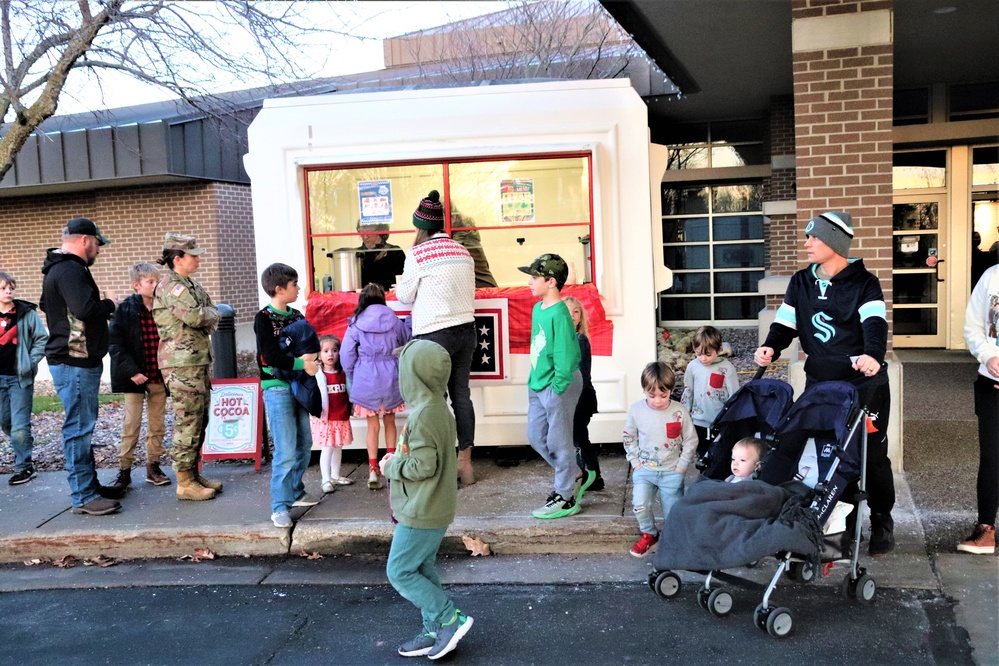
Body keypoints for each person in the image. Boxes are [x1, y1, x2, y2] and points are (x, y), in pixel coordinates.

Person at [754, 211, 896, 556]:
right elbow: (785, 324)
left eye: (813, 237)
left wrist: (873, 354)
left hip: (864, 385)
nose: (806, 243)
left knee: (871, 456)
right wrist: (771, 345)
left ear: (834, 241)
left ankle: (881, 519)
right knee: (829, 453)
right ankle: (839, 524)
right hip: (821, 385)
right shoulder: (801, 281)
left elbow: (875, 324)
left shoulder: (864, 282)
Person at [381, 339, 473, 660]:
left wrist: (391, 465)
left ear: (414, 375)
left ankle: (449, 618)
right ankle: (434, 628)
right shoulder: (437, 408)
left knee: (400, 571)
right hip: (434, 506)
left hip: (421, 508)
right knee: (421, 566)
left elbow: (423, 466)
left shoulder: (423, 416)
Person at [41, 217, 123, 514]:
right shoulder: (71, 270)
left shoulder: (56, 269)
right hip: (74, 362)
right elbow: (85, 309)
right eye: (97, 244)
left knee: (81, 426)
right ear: (85, 240)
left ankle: (89, 486)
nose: (98, 250)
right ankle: (84, 496)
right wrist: (111, 303)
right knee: (78, 428)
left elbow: (46, 305)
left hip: (72, 360)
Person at [396, 190, 478, 485]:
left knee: (434, 400)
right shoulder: (462, 251)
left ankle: (440, 463)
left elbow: (404, 296)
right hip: (466, 330)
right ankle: (466, 465)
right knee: (461, 397)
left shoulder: (418, 254)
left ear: (420, 227)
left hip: (434, 335)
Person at [520, 253, 593, 520]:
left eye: (534, 277)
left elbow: (566, 355)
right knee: (537, 438)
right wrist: (535, 380)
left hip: (557, 384)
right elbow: (539, 349)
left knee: (559, 442)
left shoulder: (560, 314)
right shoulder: (538, 309)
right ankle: (573, 472)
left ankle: (566, 497)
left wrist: (557, 387)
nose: (529, 282)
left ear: (551, 282)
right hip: (538, 384)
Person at [152, 233, 222, 502]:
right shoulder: (172, 286)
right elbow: (196, 315)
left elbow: (210, 312)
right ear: (178, 258)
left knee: (200, 419)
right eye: (194, 255)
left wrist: (208, 314)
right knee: (187, 422)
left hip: (197, 361)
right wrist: (208, 314)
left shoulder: (190, 284)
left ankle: (192, 474)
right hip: (181, 365)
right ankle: (184, 482)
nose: (199, 259)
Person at [255, 263, 321, 528]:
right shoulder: (263, 318)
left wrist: (313, 358)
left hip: (299, 386)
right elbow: (269, 356)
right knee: (285, 449)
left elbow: (309, 343)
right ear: (279, 289)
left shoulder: (296, 315)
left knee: (304, 443)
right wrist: (301, 364)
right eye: (294, 285)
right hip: (276, 387)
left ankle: (295, 491)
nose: (299, 288)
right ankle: (280, 506)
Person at [624, 361, 698, 557]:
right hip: (645, 471)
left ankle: (674, 541)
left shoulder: (679, 412)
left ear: (671, 390)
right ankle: (649, 534)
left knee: (673, 513)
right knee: (640, 504)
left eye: (663, 395)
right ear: (644, 390)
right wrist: (636, 464)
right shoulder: (637, 410)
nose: (657, 400)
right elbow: (628, 437)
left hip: (671, 472)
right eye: (652, 395)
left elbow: (691, 440)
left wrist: (681, 467)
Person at [341, 283, 410, 490]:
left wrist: (353, 374)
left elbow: (346, 356)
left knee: (373, 426)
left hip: (366, 376)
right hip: (391, 375)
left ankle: (373, 470)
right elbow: (407, 341)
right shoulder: (394, 320)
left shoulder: (355, 324)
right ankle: (390, 466)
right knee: (390, 422)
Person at [109, 262, 170, 489]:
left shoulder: (164, 307)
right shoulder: (124, 309)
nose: (155, 285)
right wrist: (132, 370)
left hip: (158, 375)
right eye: (150, 282)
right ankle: (124, 470)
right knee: (131, 424)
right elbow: (115, 344)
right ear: (137, 285)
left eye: (157, 281)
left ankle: (153, 466)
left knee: (157, 424)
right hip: (134, 377)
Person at [958, 264, 999, 554]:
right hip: (992, 383)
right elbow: (973, 326)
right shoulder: (991, 277)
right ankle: (986, 529)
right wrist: (988, 356)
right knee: (992, 457)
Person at [0, 271, 47, 487]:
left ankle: (24, 466)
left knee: (19, 426)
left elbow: (41, 340)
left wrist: (29, 362)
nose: (8, 290)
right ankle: (24, 442)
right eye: (3, 288)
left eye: (11, 287)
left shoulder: (26, 313)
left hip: (19, 378)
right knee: (5, 422)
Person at [563, 295, 603, 491]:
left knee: (579, 438)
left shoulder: (579, 340)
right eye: (567, 312)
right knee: (577, 437)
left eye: (575, 312)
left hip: (581, 397)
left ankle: (592, 476)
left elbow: (581, 374)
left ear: (580, 317)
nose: (571, 315)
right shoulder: (563, 341)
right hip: (572, 398)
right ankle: (590, 475)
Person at [681, 325, 741, 456]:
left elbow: (734, 396)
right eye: (698, 354)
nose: (703, 358)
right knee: (703, 453)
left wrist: (732, 420)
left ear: (719, 350)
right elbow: (688, 391)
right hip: (698, 420)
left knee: (720, 453)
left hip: (719, 421)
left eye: (708, 354)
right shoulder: (692, 367)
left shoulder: (727, 368)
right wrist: (685, 414)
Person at [311, 334, 354, 493]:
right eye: (326, 351)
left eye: (334, 350)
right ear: (319, 354)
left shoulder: (344, 374)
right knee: (328, 447)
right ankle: (326, 479)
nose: (330, 354)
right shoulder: (318, 375)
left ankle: (335, 475)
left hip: (341, 416)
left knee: (338, 446)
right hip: (327, 419)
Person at [450, 203, 498, 289]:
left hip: (482, 291)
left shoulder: (462, 241)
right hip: (483, 289)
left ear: (452, 219)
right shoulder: (467, 235)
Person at [356, 222, 406, 292]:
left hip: (389, 299)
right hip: (362, 299)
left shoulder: (394, 252)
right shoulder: (355, 254)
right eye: (361, 232)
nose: (365, 237)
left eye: (369, 232)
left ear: (380, 232)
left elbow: (403, 281)